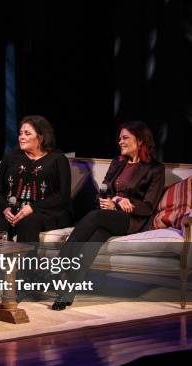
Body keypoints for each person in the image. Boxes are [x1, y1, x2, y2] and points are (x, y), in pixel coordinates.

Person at [52, 121, 165, 310]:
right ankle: (67, 293)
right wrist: (111, 200)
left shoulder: (155, 169)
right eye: (119, 138)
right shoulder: (118, 163)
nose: (120, 141)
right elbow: (102, 192)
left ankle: (63, 258)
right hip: (108, 216)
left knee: (96, 217)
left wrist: (122, 204)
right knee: (94, 240)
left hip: (132, 220)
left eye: (125, 138)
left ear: (140, 140)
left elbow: (148, 206)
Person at [0, 115, 72, 242]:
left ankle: (27, 262)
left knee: (29, 222)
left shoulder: (58, 159)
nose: (21, 137)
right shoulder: (11, 157)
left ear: (41, 137)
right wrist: (5, 208)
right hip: (10, 210)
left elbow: (62, 195)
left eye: (27, 133)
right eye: (20, 133)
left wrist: (32, 208)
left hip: (44, 212)